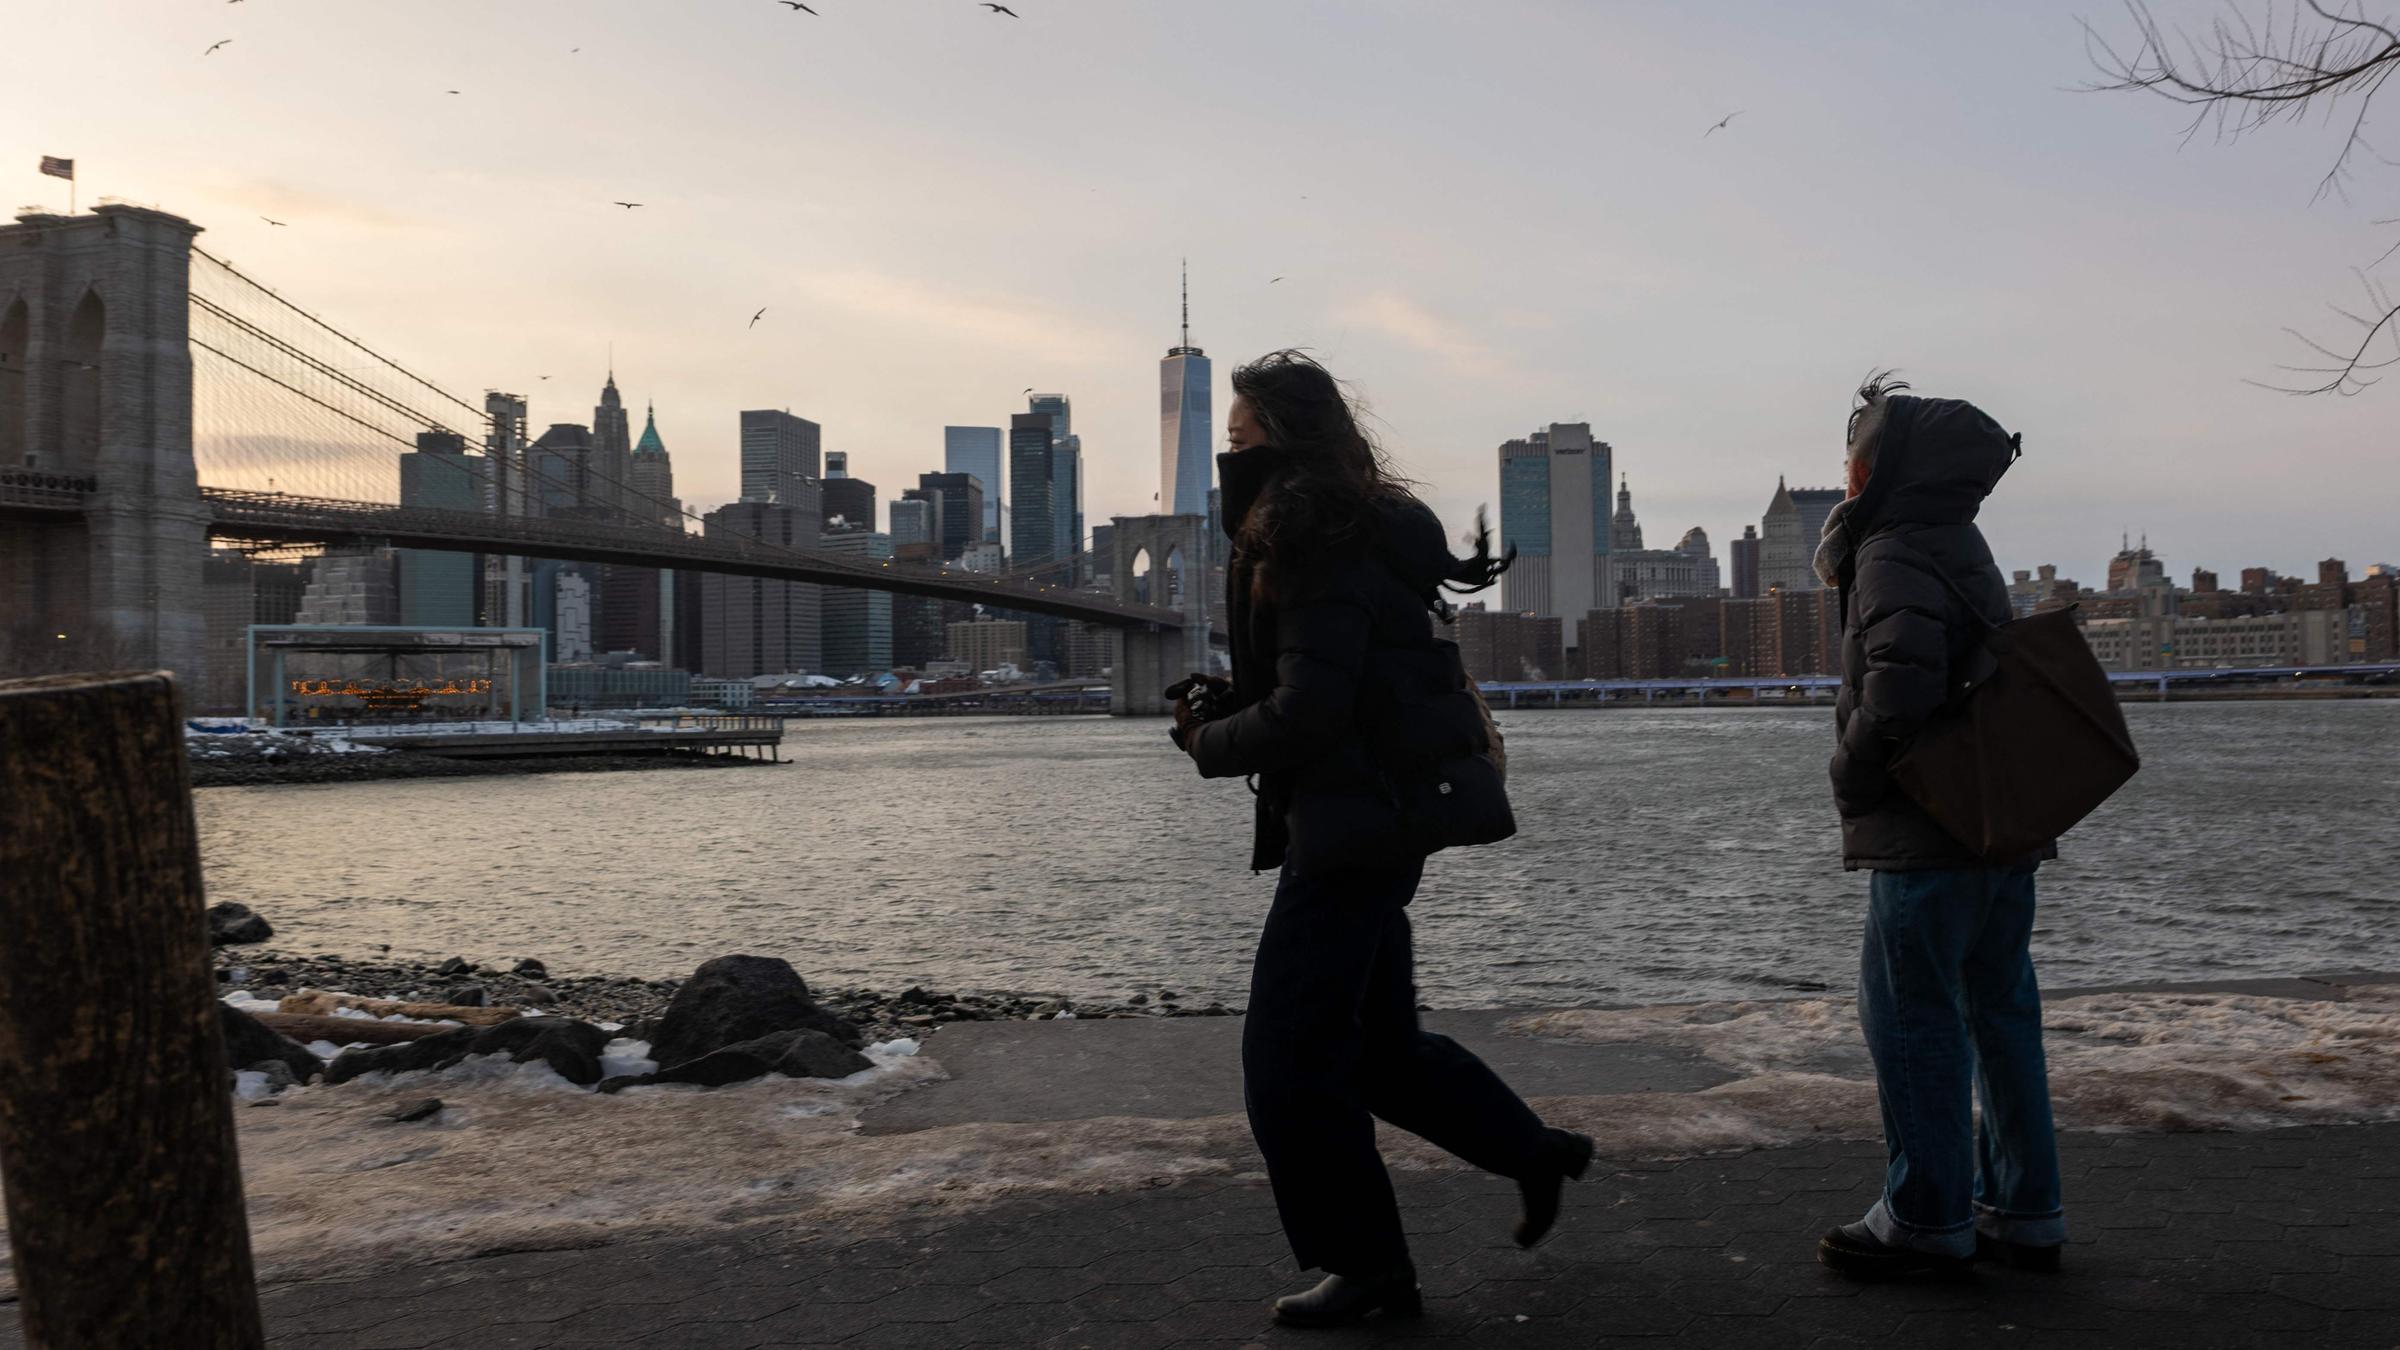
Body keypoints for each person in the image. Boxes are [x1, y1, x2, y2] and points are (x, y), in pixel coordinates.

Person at [1170, 350, 1594, 1329]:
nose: (1229, 462)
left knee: (1286, 1068)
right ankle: (1534, 1153)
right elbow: (1339, 679)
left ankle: (1369, 1272)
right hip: (1375, 817)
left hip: (1351, 831)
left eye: (1238, 442)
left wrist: (1206, 741)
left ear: (1282, 442)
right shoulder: (1354, 527)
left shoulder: (1311, 539)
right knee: (1377, 1051)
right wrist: (1244, 701)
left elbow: (1312, 714)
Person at [1813, 373, 2064, 1279]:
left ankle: (1925, 1220)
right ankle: (2024, 1209)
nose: (1845, 471)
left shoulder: (1890, 550)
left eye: (1855, 455)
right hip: (1998, 831)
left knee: (1912, 1019)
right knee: (2001, 1013)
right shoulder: (1964, 541)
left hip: (1928, 833)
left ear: (1879, 470)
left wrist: (1851, 773)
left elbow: (1901, 687)